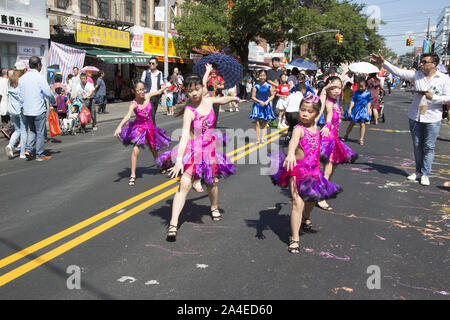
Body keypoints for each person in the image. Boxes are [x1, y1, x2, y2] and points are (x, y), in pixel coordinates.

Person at [156, 74, 238, 241]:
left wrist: (233, 98)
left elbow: (220, 101)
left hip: (209, 149)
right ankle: (173, 224)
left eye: (196, 89)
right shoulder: (189, 111)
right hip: (194, 150)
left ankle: (214, 206)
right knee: (184, 184)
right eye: (190, 90)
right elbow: (185, 135)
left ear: (202, 88)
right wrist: (179, 160)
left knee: (211, 183)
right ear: (185, 92)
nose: (193, 93)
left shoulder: (208, 100)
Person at [270, 93, 342, 254]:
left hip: (314, 170)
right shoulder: (298, 129)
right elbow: (293, 142)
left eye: (309, 111)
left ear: (316, 114)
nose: (305, 114)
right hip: (297, 169)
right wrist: (289, 154)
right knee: (297, 202)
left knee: (310, 200)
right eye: (302, 110)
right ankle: (295, 238)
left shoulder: (316, 125)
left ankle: (305, 217)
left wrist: (326, 89)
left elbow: (322, 103)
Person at [371, 52, 450, 186]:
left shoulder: (444, 78)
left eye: (425, 62)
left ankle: (425, 174)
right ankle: (418, 171)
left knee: (429, 146)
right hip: (415, 115)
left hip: (432, 117)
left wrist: (434, 98)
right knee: (417, 145)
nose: (422, 64)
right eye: (422, 61)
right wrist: (383, 62)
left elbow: (448, 97)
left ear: (434, 64)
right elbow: (398, 72)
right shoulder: (416, 75)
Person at [114, 80, 170, 186]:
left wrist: (163, 89)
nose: (142, 92)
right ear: (133, 91)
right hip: (139, 129)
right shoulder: (133, 104)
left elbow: (158, 92)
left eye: (143, 89)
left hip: (150, 128)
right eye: (139, 90)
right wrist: (119, 126)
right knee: (135, 150)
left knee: (153, 149)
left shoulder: (147, 96)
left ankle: (160, 165)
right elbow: (128, 116)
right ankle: (133, 175)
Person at [316, 76, 357, 211]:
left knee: (331, 169)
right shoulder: (328, 102)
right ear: (327, 87)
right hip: (328, 139)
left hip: (334, 139)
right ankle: (320, 197)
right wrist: (327, 125)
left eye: (339, 88)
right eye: (333, 87)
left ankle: (321, 191)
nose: (337, 90)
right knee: (328, 169)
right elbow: (327, 114)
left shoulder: (335, 101)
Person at [19, 56, 56, 161]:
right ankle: (39, 154)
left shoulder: (22, 79)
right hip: (38, 109)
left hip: (26, 109)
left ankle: (28, 149)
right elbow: (47, 92)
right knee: (40, 132)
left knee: (32, 130)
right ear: (38, 65)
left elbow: (20, 95)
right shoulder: (39, 77)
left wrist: (22, 106)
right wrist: (53, 101)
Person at [249, 70, 276, 144]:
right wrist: (259, 101)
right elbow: (253, 97)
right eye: (261, 75)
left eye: (263, 75)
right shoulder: (256, 86)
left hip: (266, 104)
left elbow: (272, 95)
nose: (262, 77)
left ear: (266, 76)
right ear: (258, 76)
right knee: (257, 123)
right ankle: (257, 139)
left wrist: (267, 101)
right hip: (257, 105)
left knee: (264, 122)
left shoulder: (269, 86)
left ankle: (263, 138)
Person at [342, 79, 372, 145]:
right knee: (352, 123)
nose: (360, 88)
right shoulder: (356, 92)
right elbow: (353, 101)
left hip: (363, 109)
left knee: (362, 124)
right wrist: (350, 109)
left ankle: (361, 139)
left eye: (362, 86)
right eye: (359, 86)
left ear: (366, 87)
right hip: (356, 108)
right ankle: (346, 135)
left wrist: (369, 109)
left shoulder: (368, 93)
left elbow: (369, 102)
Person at [5, 70, 24, 158]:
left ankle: (10, 145)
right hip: (20, 110)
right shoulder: (20, 85)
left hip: (12, 110)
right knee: (23, 130)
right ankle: (22, 152)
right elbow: (22, 98)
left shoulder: (10, 85)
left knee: (17, 130)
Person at [141, 57, 164, 125]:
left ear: (156, 64)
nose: (151, 64)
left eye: (153, 63)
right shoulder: (145, 72)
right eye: (150, 63)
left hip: (156, 96)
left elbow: (161, 83)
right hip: (148, 96)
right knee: (152, 114)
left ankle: (148, 129)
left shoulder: (159, 73)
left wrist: (165, 93)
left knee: (152, 114)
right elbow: (141, 84)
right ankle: (154, 130)